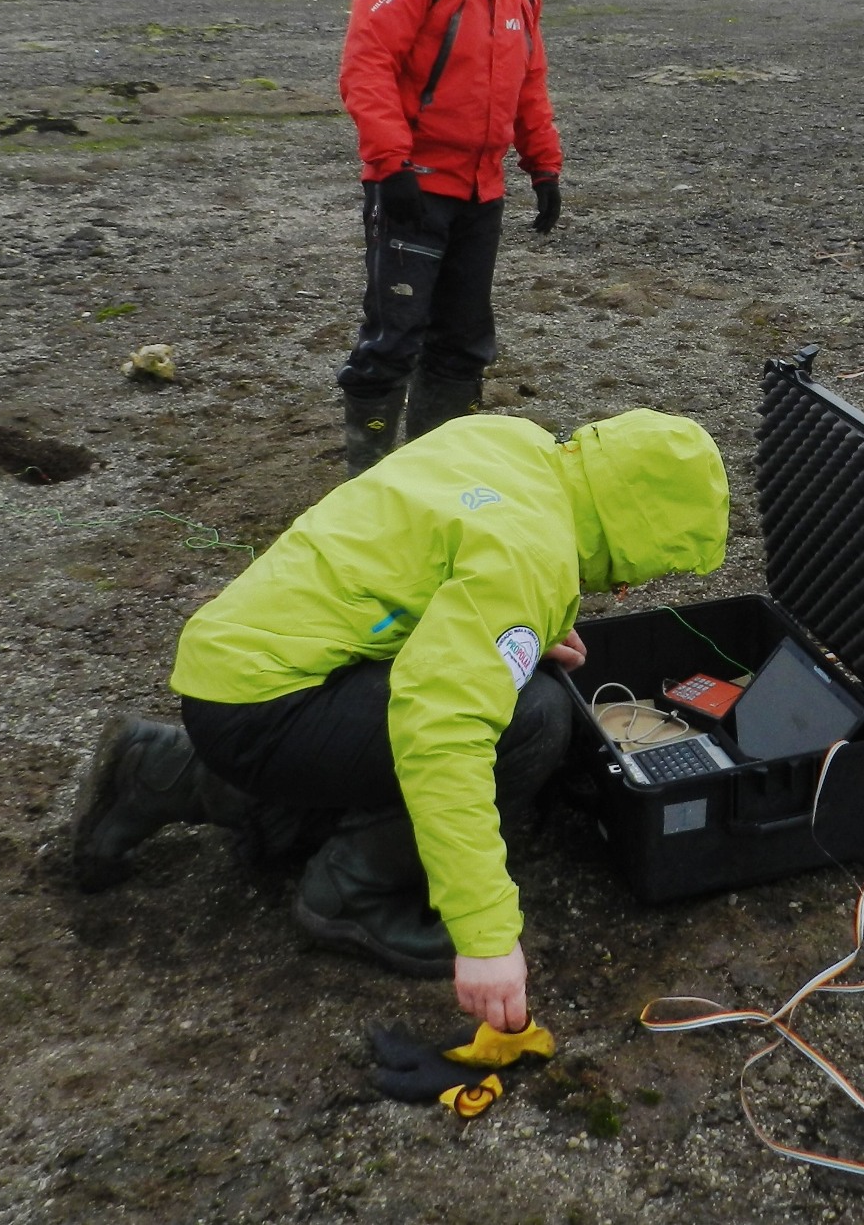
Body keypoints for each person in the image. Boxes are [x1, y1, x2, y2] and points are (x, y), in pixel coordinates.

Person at [70, 408, 728, 1034]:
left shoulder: (511, 442)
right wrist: (486, 937)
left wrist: (528, 625)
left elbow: (434, 555)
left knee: (510, 680)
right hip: (265, 709)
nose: (629, 589)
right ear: (637, 525)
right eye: (656, 562)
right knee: (530, 715)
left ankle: (162, 769)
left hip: (236, 669)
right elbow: (442, 731)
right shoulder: (533, 556)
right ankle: (351, 894)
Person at [337, 0, 565, 476]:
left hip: (480, 192)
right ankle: (370, 483)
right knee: (392, 340)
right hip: (414, 184)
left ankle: (436, 479)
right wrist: (390, 165)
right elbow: (367, 66)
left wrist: (543, 166)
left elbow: (529, 79)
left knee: (464, 345)